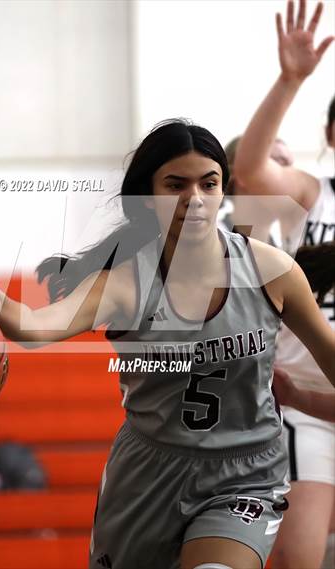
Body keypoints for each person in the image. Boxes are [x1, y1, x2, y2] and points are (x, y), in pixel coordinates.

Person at [0, 117, 334, 569]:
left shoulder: (273, 270)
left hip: (244, 475)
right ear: (148, 199)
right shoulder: (126, 282)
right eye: (175, 185)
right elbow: (37, 325)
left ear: (224, 190)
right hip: (150, 474)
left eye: (209, 183)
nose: (194, 199)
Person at [233, 1, 334, 567]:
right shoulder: (314, 192)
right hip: (302, 401)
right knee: (300, 560)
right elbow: (250, 171)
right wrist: (290, 79)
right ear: (329, 134)